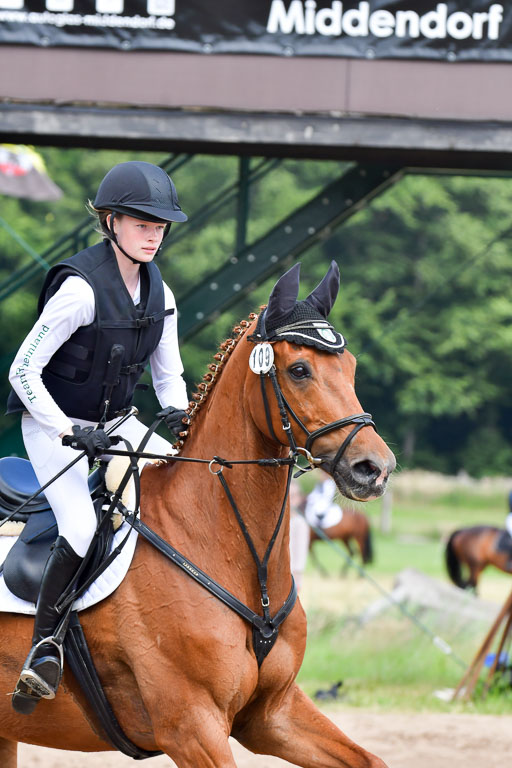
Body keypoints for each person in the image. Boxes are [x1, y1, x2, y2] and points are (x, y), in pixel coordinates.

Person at [7, 160, 190, 714]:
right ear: (111, 222)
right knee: (83, 526)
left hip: (116, 423)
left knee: (184, 484)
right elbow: (22, 371)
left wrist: (180, 418)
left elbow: (168, 376)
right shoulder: (80, 291)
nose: (154, 234)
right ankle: (43, 647)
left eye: (161, 225)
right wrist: (67, 428)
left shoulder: (163, 296)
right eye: (142, 224)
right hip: (51, 426)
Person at [288, 479, 310, 592]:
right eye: (288, 496)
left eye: (293, 497)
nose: (290, 501)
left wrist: (296, 577)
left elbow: (300, 553)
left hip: (291, 575)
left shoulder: (300, 523)